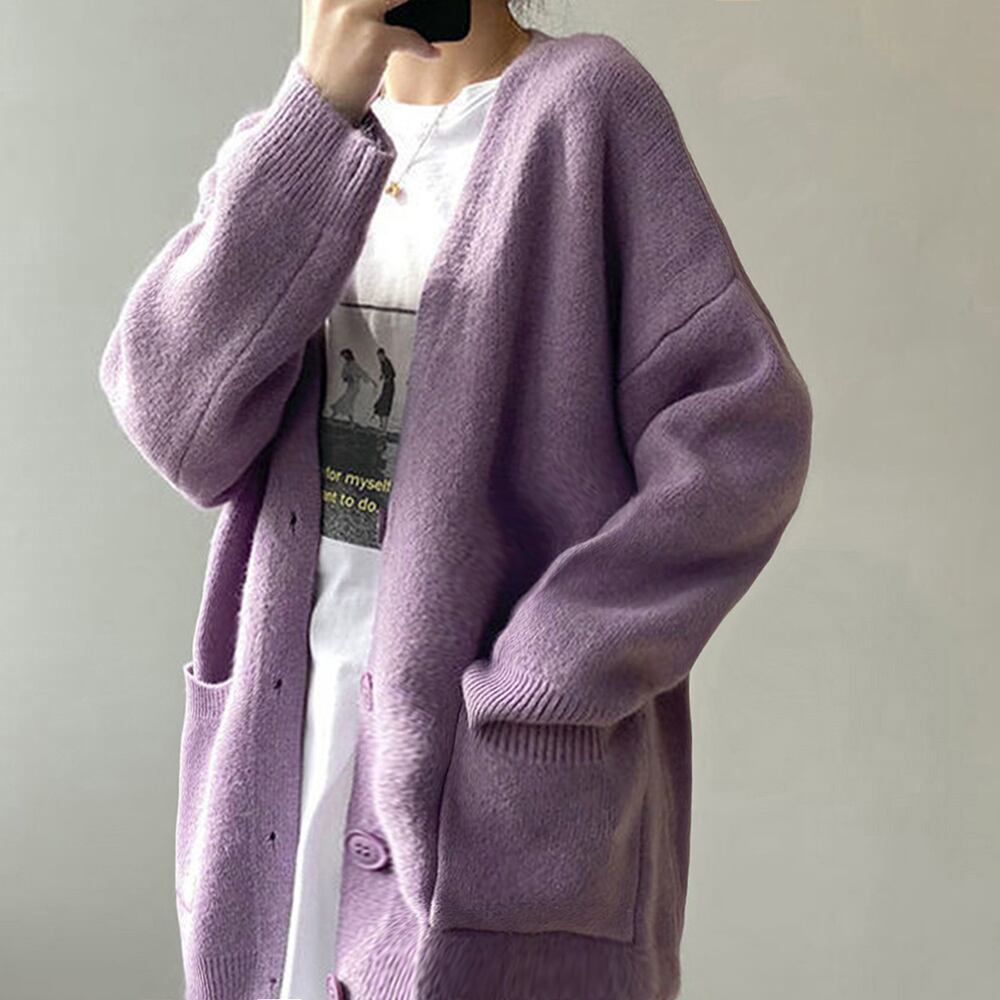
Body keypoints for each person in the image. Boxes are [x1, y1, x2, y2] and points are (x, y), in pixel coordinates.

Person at [97, 1, 813, 999]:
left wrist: (545, 681)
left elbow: (742, 434)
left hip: (492, 789)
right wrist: (318, 110)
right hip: (286, 762)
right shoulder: (288, 144)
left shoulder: (584, 107)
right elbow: (178, 425)